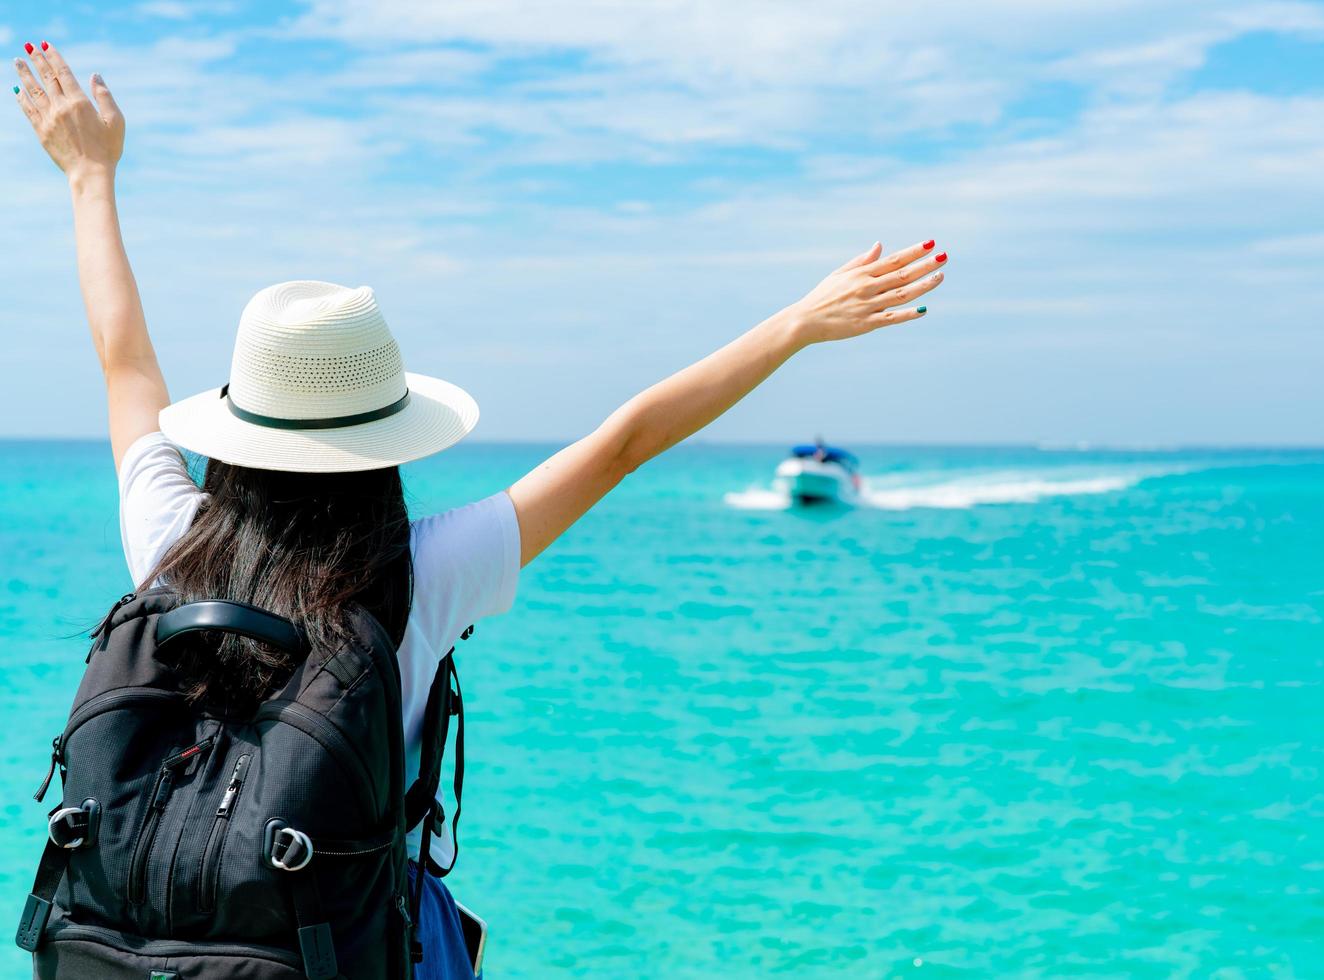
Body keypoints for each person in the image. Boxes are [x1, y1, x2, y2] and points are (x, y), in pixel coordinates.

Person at [11, 43, 947, 977]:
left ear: (236, 430)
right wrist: (798, 324)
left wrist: (90, 176)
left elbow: (124, 361)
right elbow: (626, 440)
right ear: (385, 439)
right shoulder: (417, 576)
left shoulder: (169, 545)